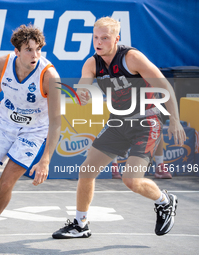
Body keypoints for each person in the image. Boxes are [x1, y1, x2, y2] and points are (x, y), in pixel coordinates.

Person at [52, 17, 186, 239]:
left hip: (146, 121)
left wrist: (175, 119)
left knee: (131, 180)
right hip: (118, 121)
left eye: (105, 37)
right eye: (96, 37)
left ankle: (165, 201)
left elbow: (164, 85)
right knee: (86, 171)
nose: (99, 41)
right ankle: (81, 224)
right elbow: (85, 85)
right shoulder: (91, 63)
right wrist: (83, 93)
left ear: (117, 38)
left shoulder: (131, 58)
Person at [0, 24, 61, 247]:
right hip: (5, 124)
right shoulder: (3, 63)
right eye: (28, 50)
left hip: (34, 132)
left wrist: (45, 160)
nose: (34, 55)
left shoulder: (49, 76)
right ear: (17, 51)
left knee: (6, 183)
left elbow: (56, 122)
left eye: (38, 49)